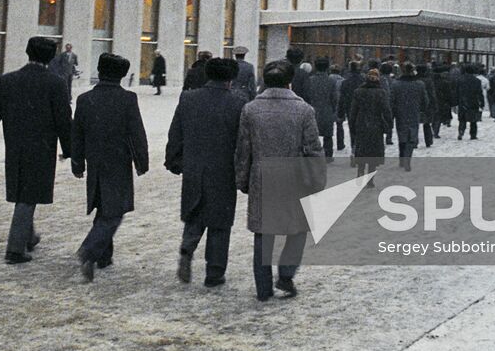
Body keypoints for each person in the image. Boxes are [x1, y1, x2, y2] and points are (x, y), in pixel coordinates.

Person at [0, 36, 72, 264]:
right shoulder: (55, 83)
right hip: (42, 147)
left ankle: (29, 236)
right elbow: (63, 121)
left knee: (25, 191)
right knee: (28, 197)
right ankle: (15, 249)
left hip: (16, 146)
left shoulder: (9, 80)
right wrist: (70, 149)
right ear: (51, 57)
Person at [234, 60, 323, 302]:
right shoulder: (304, 110)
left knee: (263, 233)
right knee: (298, 229)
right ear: (289, 81)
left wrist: (242, 180)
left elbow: (244, 149)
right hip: (294, 177)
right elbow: (314, 149)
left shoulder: (250, 109)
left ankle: (263, 288)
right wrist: (316, 180)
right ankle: (285, 273)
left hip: (262, 176)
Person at [166, 57, 247, 286]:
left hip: (194, 167)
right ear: (231, 79)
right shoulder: (238, 103)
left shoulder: (188, 98)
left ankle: (187, 246)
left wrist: (173, 159)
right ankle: (214, 272)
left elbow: (176, 132)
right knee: (220, 223)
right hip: (224, 170)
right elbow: (243, 141)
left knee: (195, 211)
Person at [70, 53, 149, 281]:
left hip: (95, 162)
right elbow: (137, 134)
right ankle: (89, 251)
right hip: (118, 162)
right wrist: (141, 162)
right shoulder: (127, 99)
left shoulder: (85, 100)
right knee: (114, 212)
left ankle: (105, 256)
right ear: (122, 76)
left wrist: (77, 163)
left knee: (104, 206)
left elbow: (77, 135)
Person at [348, 69, 392, 177]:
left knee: (362, 150)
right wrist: (389, 124)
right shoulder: (381, 92)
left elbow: (353, 111)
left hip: (361, 123)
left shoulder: (358, 92)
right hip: (376, 125)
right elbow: (386, 110)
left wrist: (352, 125)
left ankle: (360, 172)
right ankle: (370, 178)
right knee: (373, 153)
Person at [390, 63, 428, 170]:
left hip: (400, 113)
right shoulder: (419, 84)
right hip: (414, 112)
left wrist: (392, 113)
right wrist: (423, 109)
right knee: (412, 136)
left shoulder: (396, 84)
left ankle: (402, 158)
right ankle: (408, 158)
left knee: (402, 135)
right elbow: (425, 100)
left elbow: (391, 101)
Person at [305, 58, 340, 160]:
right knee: (328, 135)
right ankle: (328, 155)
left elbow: (306, 95)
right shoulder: (331, 81)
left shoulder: (310, 80)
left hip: (312, 110)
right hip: (327, 110)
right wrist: (333, 109)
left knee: (311, 134)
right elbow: (334, 98)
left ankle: (311, 154)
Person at [337, 60, 364, 151]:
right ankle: (359, 147)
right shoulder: (363, 80)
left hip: (350, 107)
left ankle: (354, 147)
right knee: (361, 129)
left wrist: (340, 112)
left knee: (352, 128)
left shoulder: (346, 82)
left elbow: (342, 98)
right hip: (362, 107)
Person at [456, 66, 485, 140]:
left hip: (462, 101)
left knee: (462, 119)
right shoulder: (477, 81)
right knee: (473, 120)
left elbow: (456, 91)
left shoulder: (460, 80)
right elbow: (479, 93)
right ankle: (473, 134)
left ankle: (461, 132)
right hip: (473, 101)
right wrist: (482, 102)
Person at [433, 61, 455, 133]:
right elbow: (449, 93)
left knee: (436, 115)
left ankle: (435, 128)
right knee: (442, 114)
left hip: (435, 100)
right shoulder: (446, 82)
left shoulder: (433, 81)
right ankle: (445, 123)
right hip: (443, 101)